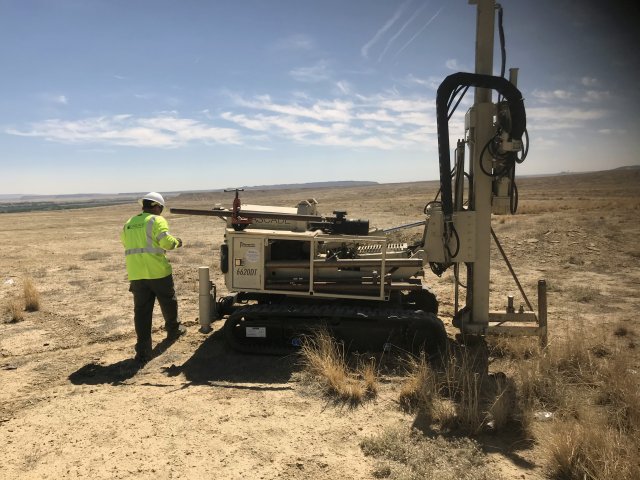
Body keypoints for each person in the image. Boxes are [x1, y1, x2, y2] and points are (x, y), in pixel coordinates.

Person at [120, 192, 186, 364]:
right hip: (157, 272)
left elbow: (126, 243)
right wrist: (177, 242)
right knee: (168, 301)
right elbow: (167, 243)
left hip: (136, 274)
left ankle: (143, 351)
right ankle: (174, 330)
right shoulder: (156, 220)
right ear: (157, 207)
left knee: (141, 312)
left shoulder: (129, 223)